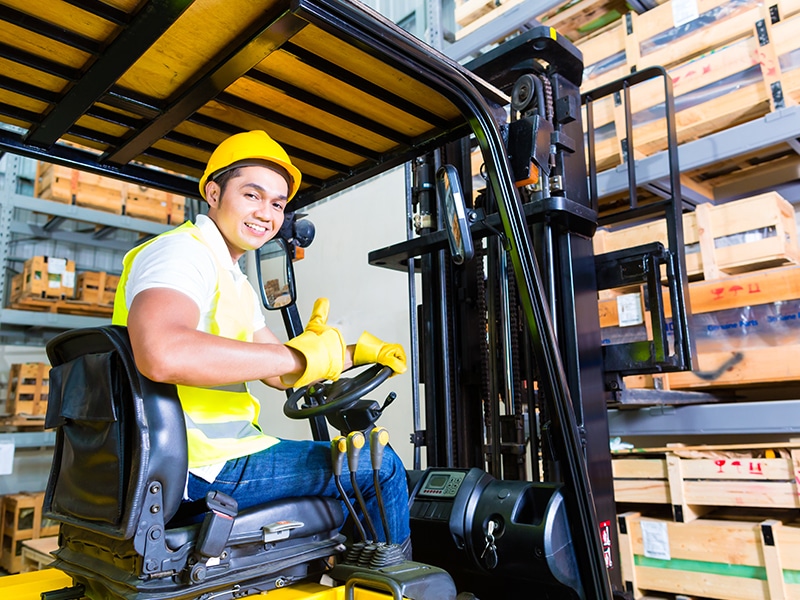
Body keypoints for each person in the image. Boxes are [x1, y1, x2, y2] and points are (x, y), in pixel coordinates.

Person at [111, 130, 411, 549]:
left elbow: (279, 373)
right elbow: (162, 352)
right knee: (383, 468)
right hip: (200, 465)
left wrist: (345, 354)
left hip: (209, 457)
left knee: (354, 479)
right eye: (252, 195)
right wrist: (294, 358)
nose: (266, 214)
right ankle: (394, 587)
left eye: (277, 204)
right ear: (213, 193)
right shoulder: (182, 253)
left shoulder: (232, 277)